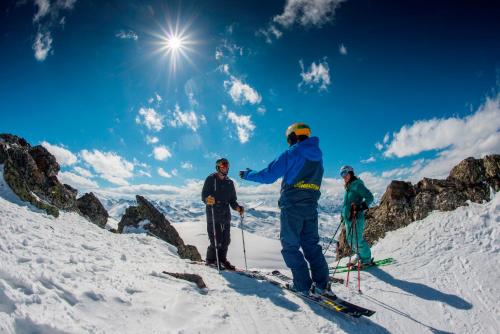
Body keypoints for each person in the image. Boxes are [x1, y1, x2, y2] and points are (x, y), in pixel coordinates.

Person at [240, 123, 333, 297]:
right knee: (312, 246)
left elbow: (268, 175)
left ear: (292, 136)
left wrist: (248, 174)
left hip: (292, 206)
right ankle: (323, 285)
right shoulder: (318, 156)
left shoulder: (293, 152)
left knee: (290, 246)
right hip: (311, 206)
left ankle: (302, 286)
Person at [202, 158, 244, 270]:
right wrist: (208, 199)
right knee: (216, 239)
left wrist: (238, 208)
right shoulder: (211, 179)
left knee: (226, 240)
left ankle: (222, 259)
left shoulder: (229, 183)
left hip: (225, 214)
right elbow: (204, 195)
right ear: (218, 167)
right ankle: (211, 260)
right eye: (223, 166)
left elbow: (232, 200)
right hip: (213, 213)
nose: (225, 168)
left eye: (227, 166)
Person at [339, 165, 374, 267]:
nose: (343, 176)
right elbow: (346, 203)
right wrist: (343, 216)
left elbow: (369, 197)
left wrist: (360, 206)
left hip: (356, 218)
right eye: (341, 174)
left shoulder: (357, 185)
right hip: (348, 218)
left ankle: (366, 259)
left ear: (350, 173)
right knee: (350, 240)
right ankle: (359, 255)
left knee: (357, 240)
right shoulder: (348, 187)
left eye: (345, 173)